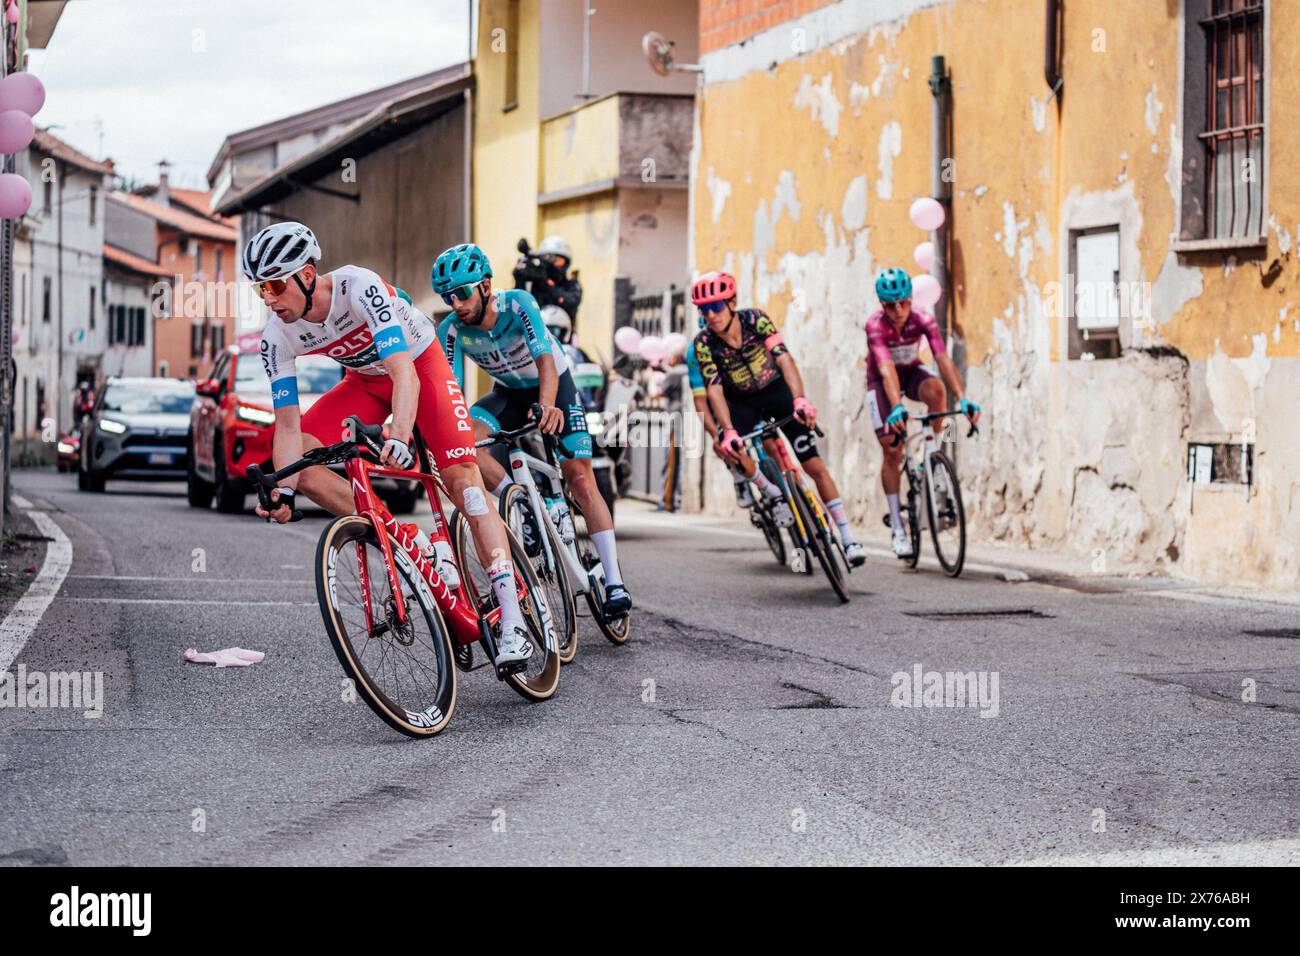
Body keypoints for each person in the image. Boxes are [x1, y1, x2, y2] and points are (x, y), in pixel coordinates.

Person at [244, 221, 536, 667]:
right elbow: (287, 429)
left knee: (464, 482)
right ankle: (404, 537)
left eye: (275, 285)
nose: (269, 298)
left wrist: (399, 434)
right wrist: (282, 492)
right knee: (298, 461)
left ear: (306, 275)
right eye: (260, 289)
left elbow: (404, 371)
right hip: (364, 383)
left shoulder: (359, 287)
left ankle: (513, 619)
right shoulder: (276, 336)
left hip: (420, 368)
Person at [432, 243, 632, 617]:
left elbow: (544, 357)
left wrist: (549, 404)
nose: (455, 303)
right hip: (507, 393)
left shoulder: (519, 303)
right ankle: (518, 497)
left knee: (580, 477)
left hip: (554, 384)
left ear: (485, 285)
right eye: (447, 296)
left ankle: (615, 580)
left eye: (460, 293)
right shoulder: (451, 328)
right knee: (464, 441)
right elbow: (452, 389)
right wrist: (445, 430)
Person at [691, 270, 866, 567]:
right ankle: (770, 491)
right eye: (704, 311)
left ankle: (848, 539)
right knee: (731, 447)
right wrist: (729, 430)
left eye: (716, 307)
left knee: (814, 465)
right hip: (740, 402)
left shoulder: (756, 319)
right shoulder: (703, 342)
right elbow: (714, 388)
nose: (710, 315)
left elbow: (784, 358)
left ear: (732, 302)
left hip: (775, 392)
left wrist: (800, 399)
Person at [866, 268, 981, 558]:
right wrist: (896, 407)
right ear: (882, 305)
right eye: (890, 305)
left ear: (910, 300)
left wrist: (964, 397)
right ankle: (897, 527)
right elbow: (885, 368)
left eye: (902, 302)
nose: (897, 310)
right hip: (882, 381)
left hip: (912, 372)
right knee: (892, 450)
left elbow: (941, 357)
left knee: (937, 391)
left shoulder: (923, 319)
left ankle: (934, 459)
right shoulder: (875, 325)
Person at [684, 321, 793, 525]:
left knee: (770, 443)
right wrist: (714, 434)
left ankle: (788, 491)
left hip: (744, 396)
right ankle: (740, 478)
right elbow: (700, 400)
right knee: (725, 442)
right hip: (718, 401)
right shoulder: (697, 352)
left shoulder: (742, 336)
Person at [514, 235, 583, 323]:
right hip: (537, 333)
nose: (553, 264)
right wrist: (519, 281)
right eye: (549, 259)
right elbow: (518, 309)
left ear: (566, 262)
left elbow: (569, 303)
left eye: (558, 260)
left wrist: (546, 284)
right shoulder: (534, 284)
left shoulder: (572, 285)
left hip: (564, 334)